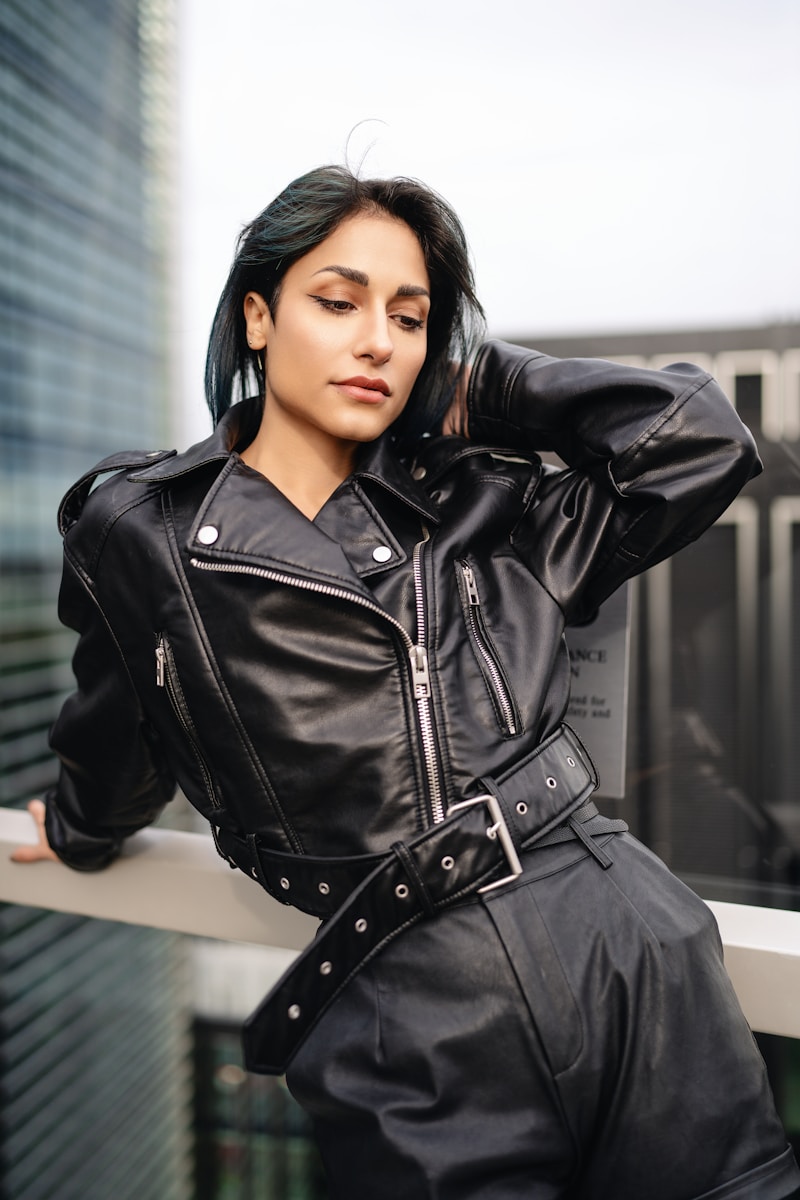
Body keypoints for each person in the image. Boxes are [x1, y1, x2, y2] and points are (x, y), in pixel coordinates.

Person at [13, 165, 800, 1200]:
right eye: (336, 302)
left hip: (624, 947)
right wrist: (76, 831)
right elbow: (120, 730)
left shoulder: (481, 499)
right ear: (258, 315)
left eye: (411, 317)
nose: (376, 339)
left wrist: (479, 386)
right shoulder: (142, 531)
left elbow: (694, 441)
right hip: (402, 1012)